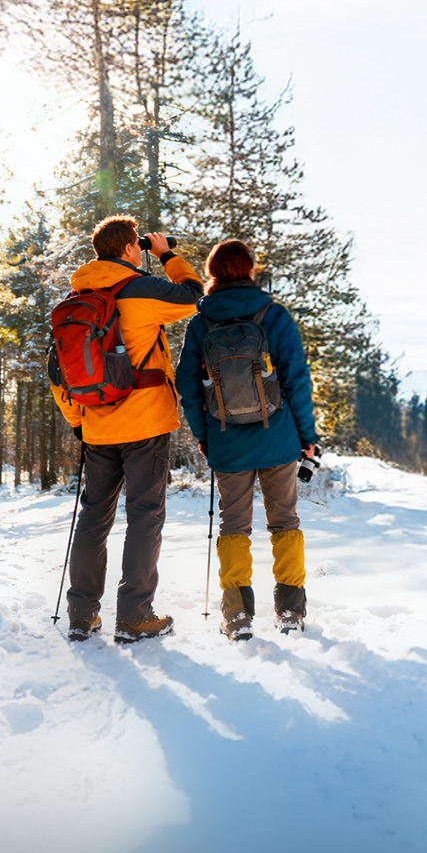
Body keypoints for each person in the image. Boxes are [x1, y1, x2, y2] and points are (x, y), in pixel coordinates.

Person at [53, 216, 204, 642]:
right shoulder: (140, 288)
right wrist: (168, 255)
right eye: (138, 245)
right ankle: (135, 617)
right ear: (129, 249)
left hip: (97, 427)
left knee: (93, 518)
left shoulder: (77, 298)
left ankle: (82, 615)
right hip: (145, 423)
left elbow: (58, 371)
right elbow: (196, 297)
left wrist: (80, 422)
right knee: (144, 518)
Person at [175, 237, 320, 637]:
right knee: (285, 521)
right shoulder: (273, 315)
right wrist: (307, 436)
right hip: (279, 438)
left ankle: (237, 615)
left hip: (226, 439)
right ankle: (290, 611)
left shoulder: (201, 323)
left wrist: (205, 436)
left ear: (212, 273)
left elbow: (187, 388)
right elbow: (296, 381)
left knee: (233, 526)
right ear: (250, 270)